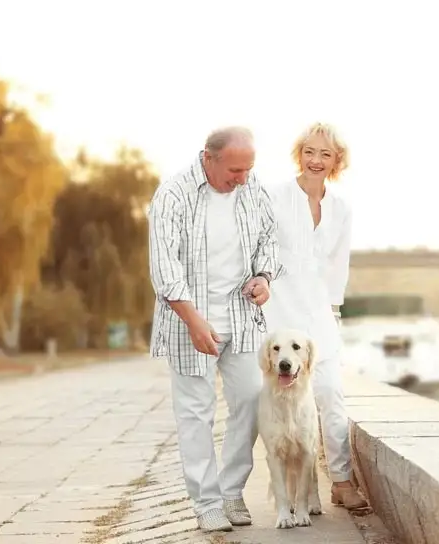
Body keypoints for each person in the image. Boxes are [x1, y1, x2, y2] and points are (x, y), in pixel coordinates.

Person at [147, 126, 284, 533]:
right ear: (208, 156)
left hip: (241, 319)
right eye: (235, 170)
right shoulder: (172, 195)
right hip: (189, 321)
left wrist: (264, 276)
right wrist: (193, 320)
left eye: (248, 170)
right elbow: (164, 268)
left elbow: (270, 240)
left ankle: (230, 491)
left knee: (252, 402)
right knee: (195, 414)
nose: (242, 178)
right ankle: (206, 502)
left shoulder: (251, 187)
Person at [262, 122, 368, 510]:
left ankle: (340, 480)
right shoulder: (274, 197)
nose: (316, 160)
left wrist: (333, 313)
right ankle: (283, 489)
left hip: (320, 315)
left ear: (337, 161)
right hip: (279, 313)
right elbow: (259, 251)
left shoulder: (341, 209)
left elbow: (339, 264)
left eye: (325, 154)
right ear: (299, 154)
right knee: (276, 402)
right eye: (310, 151)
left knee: (329, 393)